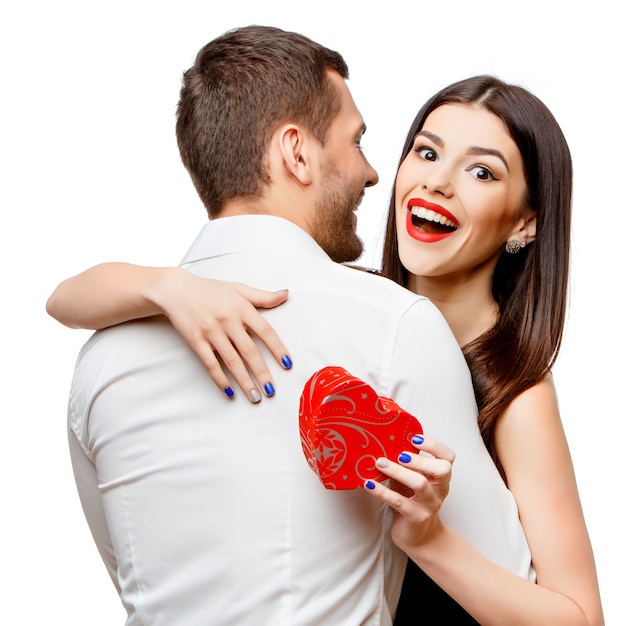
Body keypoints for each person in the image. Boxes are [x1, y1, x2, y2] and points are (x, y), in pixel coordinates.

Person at [49, 72, 604, 624]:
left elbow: (579, 617)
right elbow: (64, 301)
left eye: (481, 171)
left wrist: (430, 539)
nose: (437, 183)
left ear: (526, 223)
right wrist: (167, 287)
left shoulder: (517, 390)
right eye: (426, 153)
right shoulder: (353, 310)